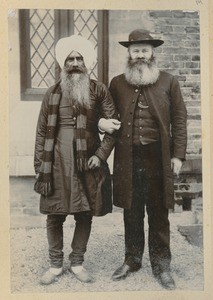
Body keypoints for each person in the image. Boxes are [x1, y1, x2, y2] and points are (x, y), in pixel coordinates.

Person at [99, 29, 187, 290]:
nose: (140, 55)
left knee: (159, 212)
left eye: (144, 50)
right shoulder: (117, 83)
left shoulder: (169, 82)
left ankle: (161, 265)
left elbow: (180, 121)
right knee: (131, 211)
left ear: (152, 53)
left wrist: (178, 156)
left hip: (158, 158)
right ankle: (132, 259)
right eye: (135, 50)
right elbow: (106, 115)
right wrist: (102, 123)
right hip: (128, 157)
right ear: (129, 53)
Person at [34, 34, 116, 285]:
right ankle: (55, 264)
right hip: (56, 163)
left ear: (87, 62)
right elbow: (40, 132)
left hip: (87, 162)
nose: (75, 62)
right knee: (54, 215)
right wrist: (40, 167)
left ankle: (78, 262)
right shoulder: (52, 93)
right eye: (70, 58)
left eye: (80, 58)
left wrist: (99, 156)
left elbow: (114, 128)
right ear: (63, 64)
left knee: (84, 213)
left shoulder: (98, 90)